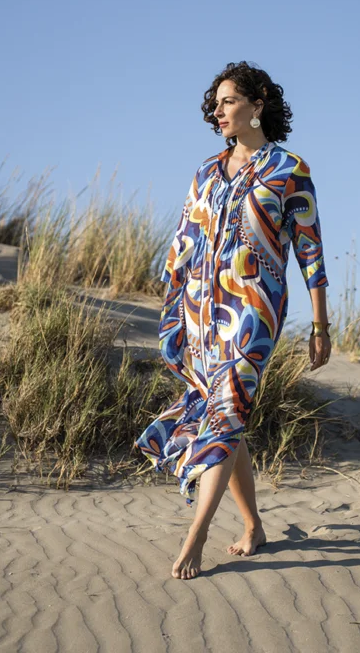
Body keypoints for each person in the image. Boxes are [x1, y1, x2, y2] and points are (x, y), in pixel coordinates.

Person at [135, 61, 331, 579]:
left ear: (257, 104)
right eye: (216, 104)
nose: (217, 111)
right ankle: (253, 526)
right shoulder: (205, 171)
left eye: (227, 101)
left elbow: (310, 251)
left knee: (229, 409)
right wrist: (174, 309)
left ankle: (195, 535)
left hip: (254, 311)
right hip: (201, 313)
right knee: (229, 416)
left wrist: (320, 324)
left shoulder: (289, 169)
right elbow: (182, 243)